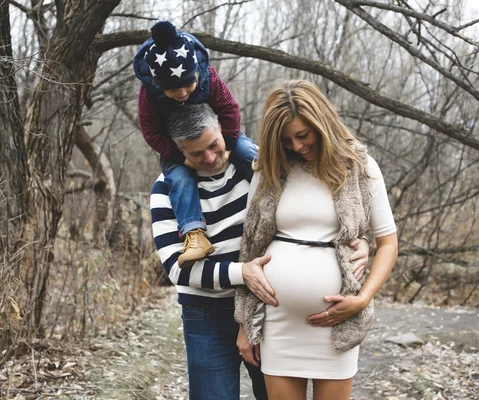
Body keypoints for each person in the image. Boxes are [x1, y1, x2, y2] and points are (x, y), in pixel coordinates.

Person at [150, 103, 371, 400]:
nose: (211, 157)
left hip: (264, 308)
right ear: (179, 151)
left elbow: (305, 218)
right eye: (196, 154)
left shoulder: (257, 168)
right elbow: (176, 268)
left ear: (222, 130)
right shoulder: (166, 189)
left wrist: (357, 241)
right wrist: (243, 273)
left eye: (214, 145)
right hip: (205, 312)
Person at [235, 80, 398, 400]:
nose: (296, 146)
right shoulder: (268, 170)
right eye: (285, 140)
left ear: (321, 124)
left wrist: (362, 299)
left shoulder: (358, 166)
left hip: (336, 325)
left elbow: (389, 244)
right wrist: (245, 324)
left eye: (302, 135)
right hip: (277, 323)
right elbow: (250, 249)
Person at [134, 20, 257, 267]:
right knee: (179, 179)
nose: (182, 95)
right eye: (173, 92)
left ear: (196, 74)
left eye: (188, 87)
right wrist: (181, 158)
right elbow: (151, 132)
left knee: (247, 153)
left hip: (221, 133)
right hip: (177, 147)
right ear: (158, 87)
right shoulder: (148, 95)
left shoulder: (209, 78)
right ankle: (194, 234)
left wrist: (230, 141)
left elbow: (230, 109)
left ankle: (275, 189)